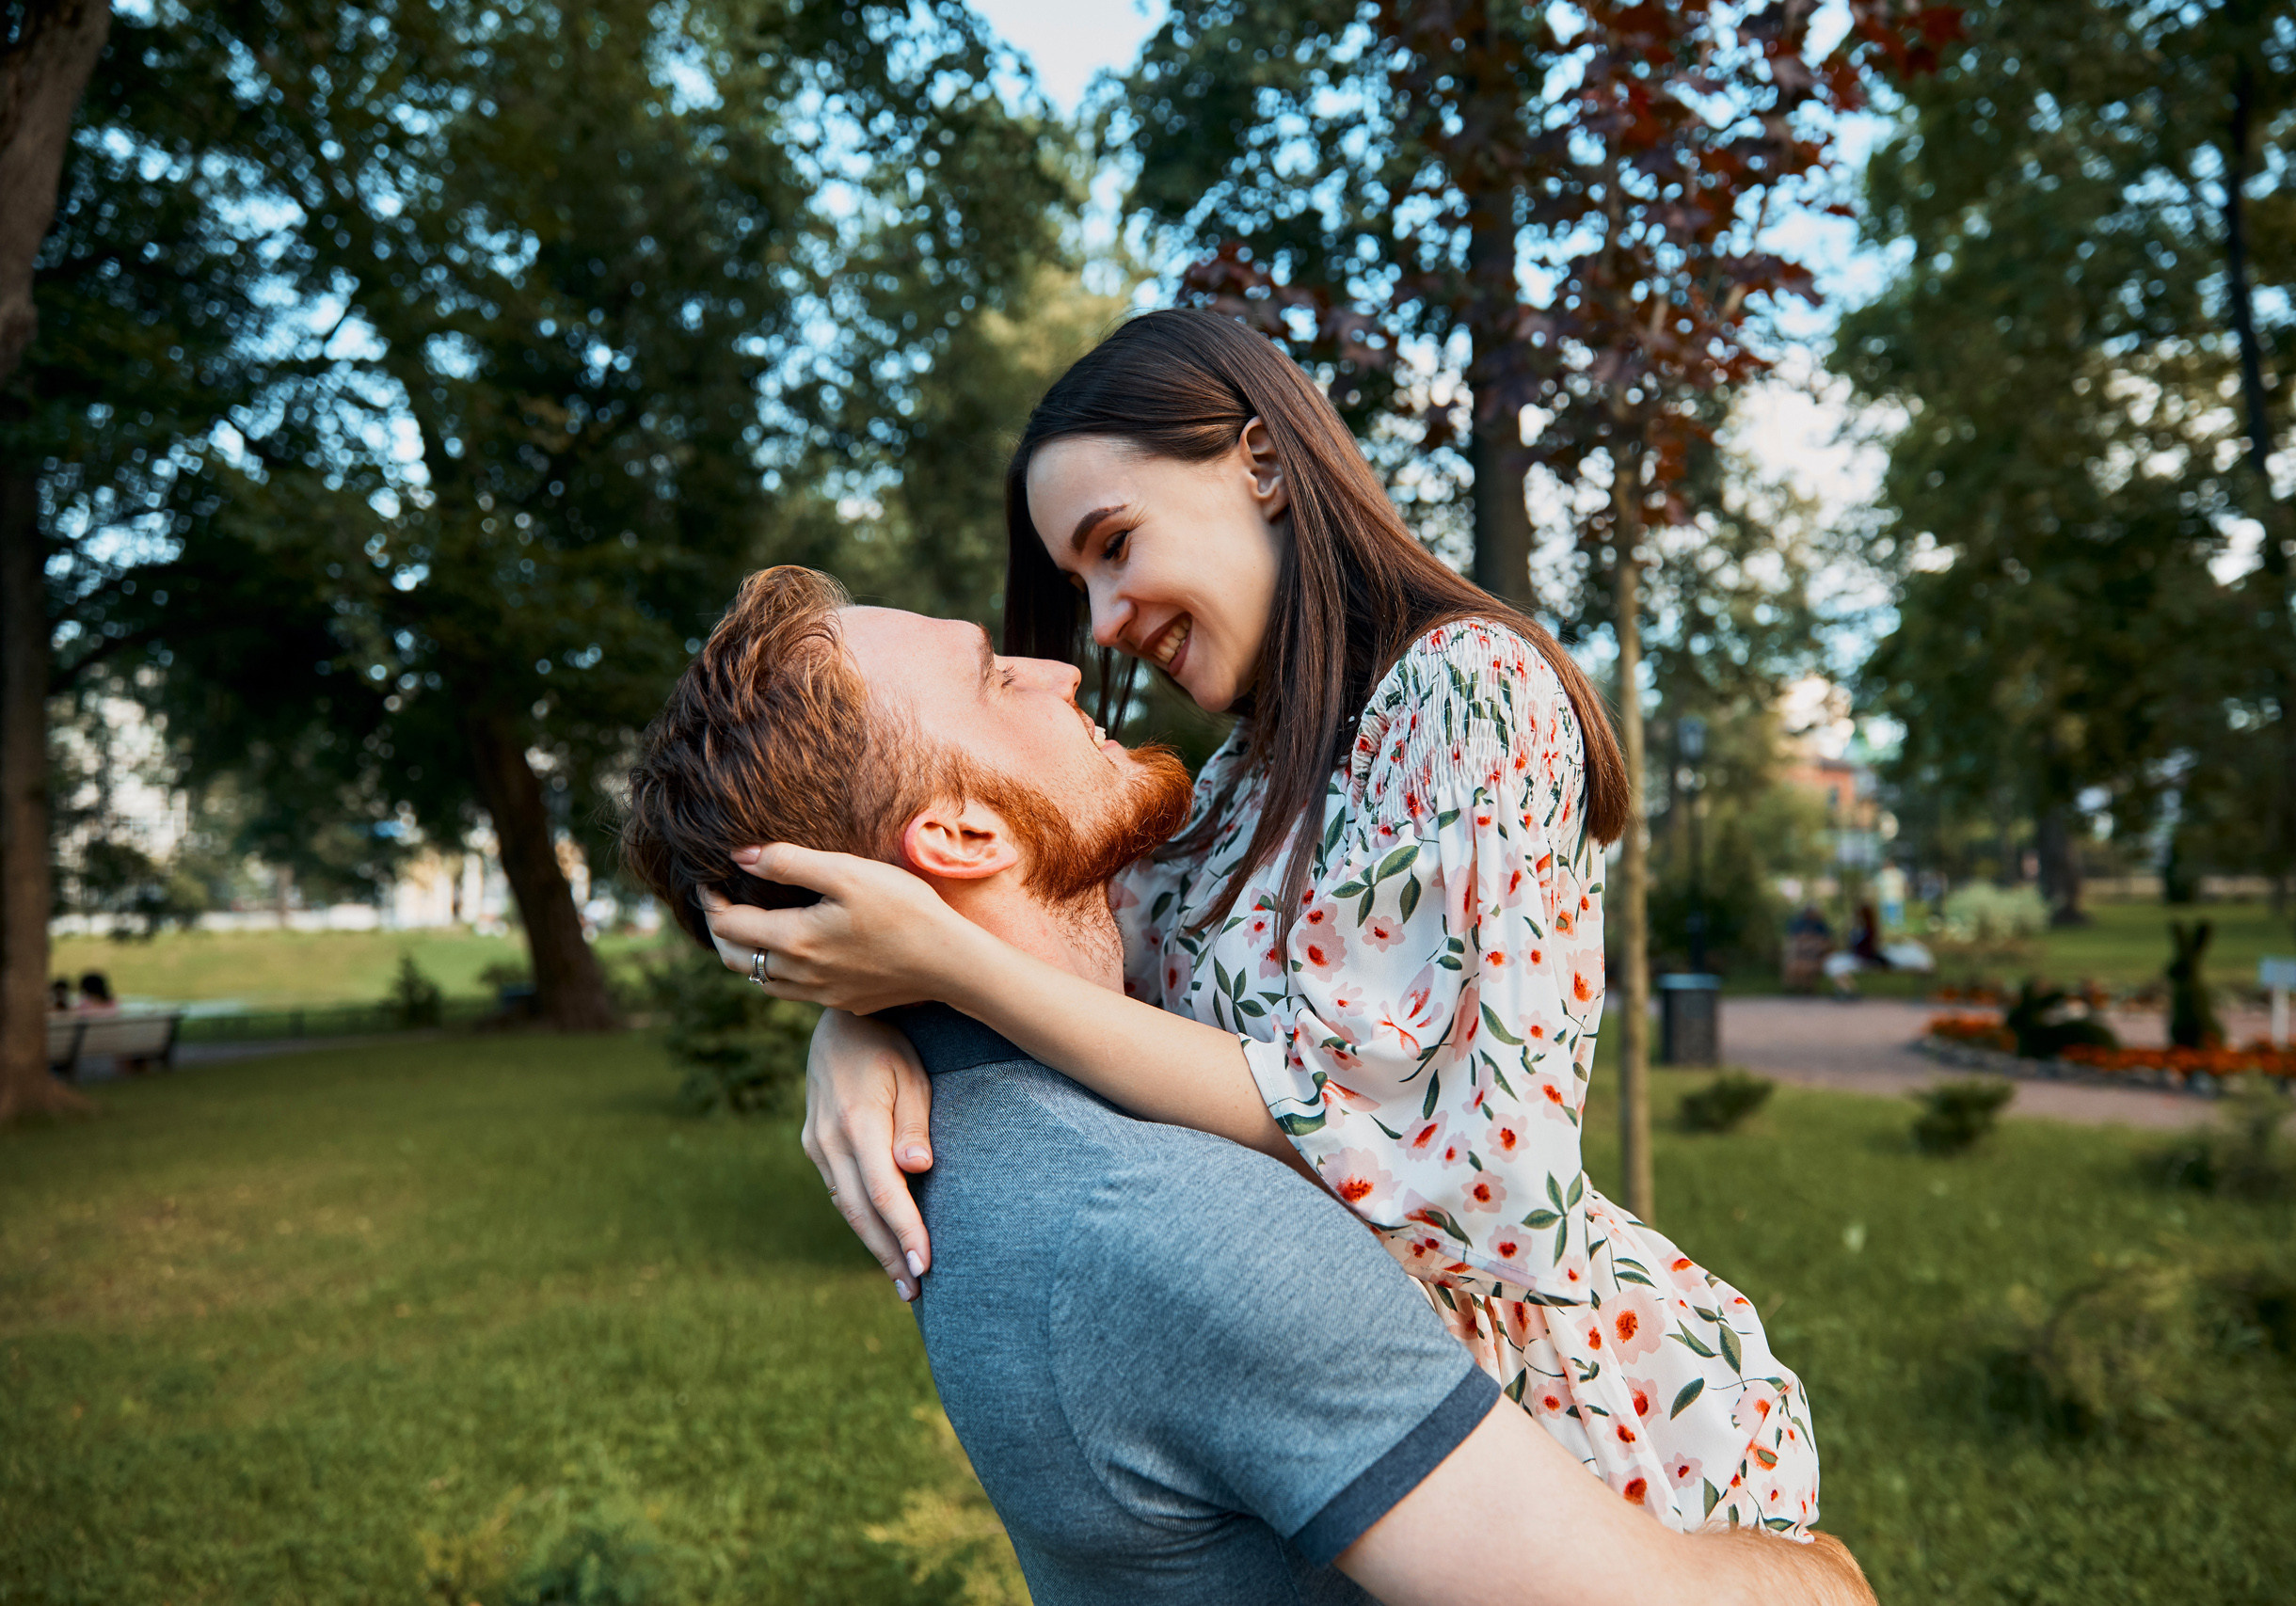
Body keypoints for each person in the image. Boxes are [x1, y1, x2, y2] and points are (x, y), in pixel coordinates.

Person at [706, 311, 1819, 1535]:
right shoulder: (1241, 788)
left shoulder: (1472, 693)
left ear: (1266, 465)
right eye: (1083, 585)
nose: (1107, 621)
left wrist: (945, 967)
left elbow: (1429, 1143)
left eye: (1115, 544)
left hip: (1543, 1435)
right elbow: (1049, 941)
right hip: (1305, 1413)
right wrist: (863, 1020)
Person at [619, 571, 1875, 1605]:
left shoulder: (991, 1134)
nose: (1069, 660)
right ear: (957, 842)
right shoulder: (1174, 1224)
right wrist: (1822, 1573)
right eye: (998, 678)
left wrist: (860, 1016)